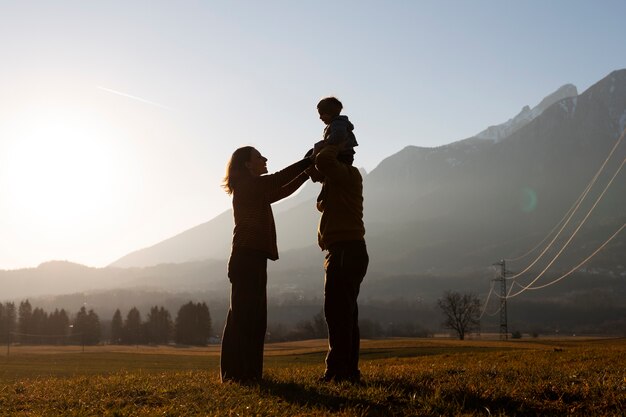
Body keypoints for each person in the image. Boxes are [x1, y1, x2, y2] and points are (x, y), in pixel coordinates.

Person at [220, 146, 311, 383]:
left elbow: (282, 190)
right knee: (246, 318)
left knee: (251, 317)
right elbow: (278, 180)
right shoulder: (248, 186)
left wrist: (305, 172)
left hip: (252, 257)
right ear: (248, 165)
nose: (265, 159)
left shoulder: (253, 189)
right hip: (247, 257)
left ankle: (244, 373)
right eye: (259, 157)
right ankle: (238, 374)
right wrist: (306, 162)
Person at [307, 139, 368, 383]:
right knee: (344, 314)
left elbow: (322, 162)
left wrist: (331, 141)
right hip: (344, 251)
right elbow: (315, 169)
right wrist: (315, 152)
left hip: (345, 251)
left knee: (338, 314)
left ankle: (339, 372)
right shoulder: (336, 180)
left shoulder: (348, 175)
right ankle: (346, 371)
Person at [316, 96, 359, 165]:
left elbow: (339, 134)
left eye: (322, 114)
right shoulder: (334, 124)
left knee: (319, 153)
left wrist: (325, 143)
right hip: (339, 154)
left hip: (343, 155)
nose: (320, 117)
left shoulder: (338, 123)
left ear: (330, 113)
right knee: (314, 151)